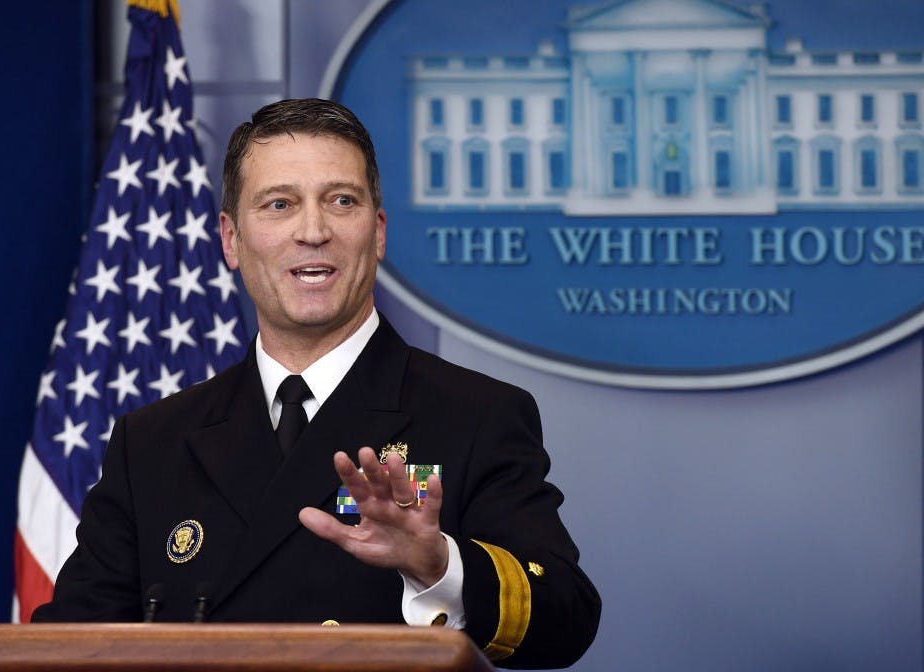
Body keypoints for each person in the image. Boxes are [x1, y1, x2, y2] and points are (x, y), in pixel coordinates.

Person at [33, 98, 601, 669]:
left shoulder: (476, 414)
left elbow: (566, 616)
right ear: (231, 240)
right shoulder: (153, 441)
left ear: (377, 233)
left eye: (342, 201)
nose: (313, 231)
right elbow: (71, 644)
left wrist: (440, 567)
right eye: (280, 204)